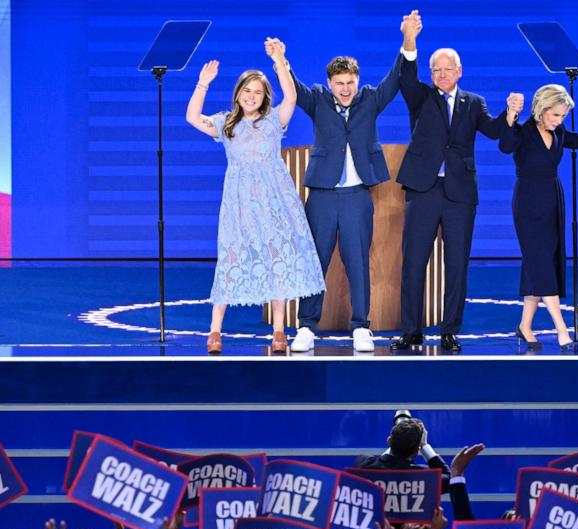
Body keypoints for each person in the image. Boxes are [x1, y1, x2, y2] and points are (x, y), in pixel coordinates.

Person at [186, 39, 325, 355]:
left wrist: (280, 62)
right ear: (238, 94)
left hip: (275, 201)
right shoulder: (226, 123)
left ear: (264, 98)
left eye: (257, 93)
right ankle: (215, 331)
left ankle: (279, 332)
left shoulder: (275, 120)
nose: (251, 96)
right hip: (239, 204)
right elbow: (193, 117)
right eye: (246, 91)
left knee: (276, 259)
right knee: (231, 258)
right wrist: (202, 84)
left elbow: (291, 95)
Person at [390, 10, 515, 353]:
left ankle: (450, 330)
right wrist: (409, 39)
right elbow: (405, 77)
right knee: (414, 261)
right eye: (437, 70)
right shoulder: (421, 97)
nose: (442, 75)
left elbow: (493, 130)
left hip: (460, 193)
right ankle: (412, 331)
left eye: (448, 70)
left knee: (457, 263)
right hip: (424, 189)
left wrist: (511, 114)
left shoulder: (473, 102)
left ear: (459, 72)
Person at [287, 23, 406, 354]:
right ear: (329, 83)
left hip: (357, 197)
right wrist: (281, 61)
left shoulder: (369, 100)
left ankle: (361, 327)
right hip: (322, 197)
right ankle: (306, 326)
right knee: (316, 263)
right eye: (339, 83)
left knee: (358, 262)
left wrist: (407, 41)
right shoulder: (318, 101)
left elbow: (395, 80)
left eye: (350, 82)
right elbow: (293, 89)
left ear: (357, 80)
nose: (345, 88)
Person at [499, 82, 578, 350]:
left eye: (563, 116)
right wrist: (510, 115)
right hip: (528, 203)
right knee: (539, 262)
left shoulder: (560, 132)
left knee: (541, 263)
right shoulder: (523, 131)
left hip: (553, 200)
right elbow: (505, 146)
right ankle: (560, 328)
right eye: (555, 115)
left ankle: (525, 326)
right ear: (541, 110)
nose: (559, 120)